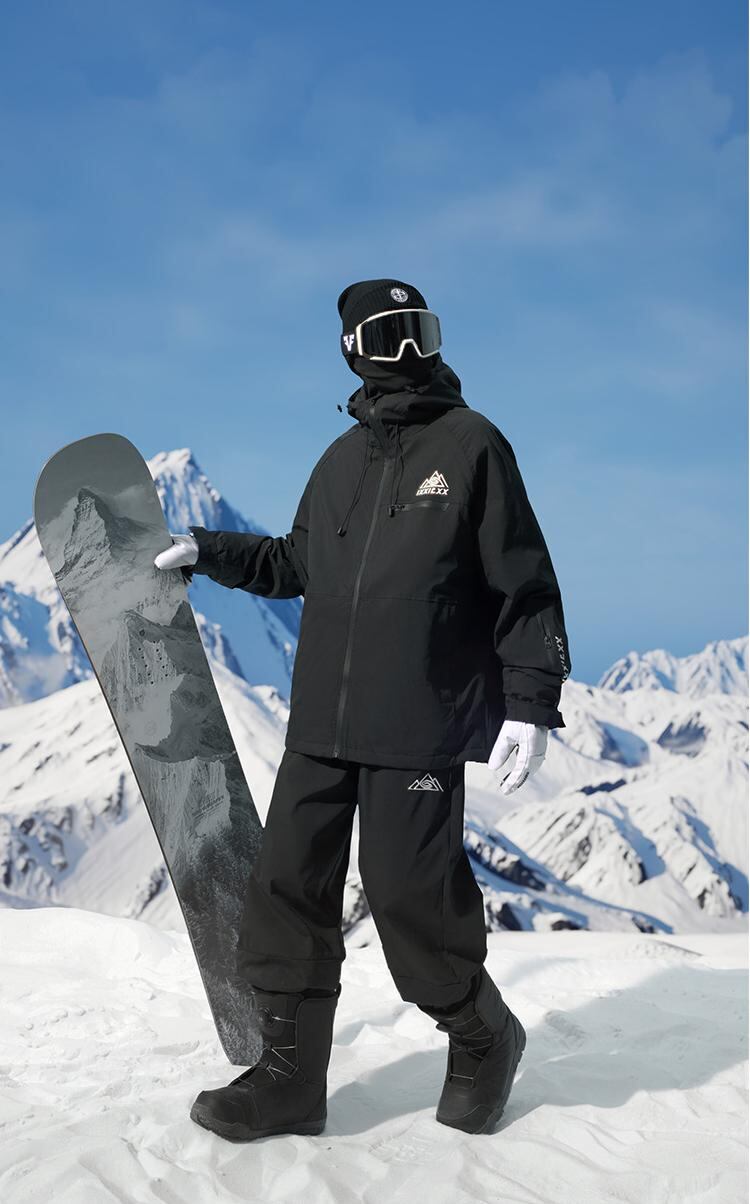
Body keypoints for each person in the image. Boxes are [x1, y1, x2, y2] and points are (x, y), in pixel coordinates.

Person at [155, 278, 571, 1141]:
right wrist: (206, 550)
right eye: (390, 334)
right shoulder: (338, 462)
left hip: (418, 724)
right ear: (355, 350)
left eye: (422, 330)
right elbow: (294, 563)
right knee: (286, 889)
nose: (410, 351)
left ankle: (482, 1035)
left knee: (410, 898)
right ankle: (288, 1081)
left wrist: (531, 702)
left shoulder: (473, 445)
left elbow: (524, 584)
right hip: (322, 725)